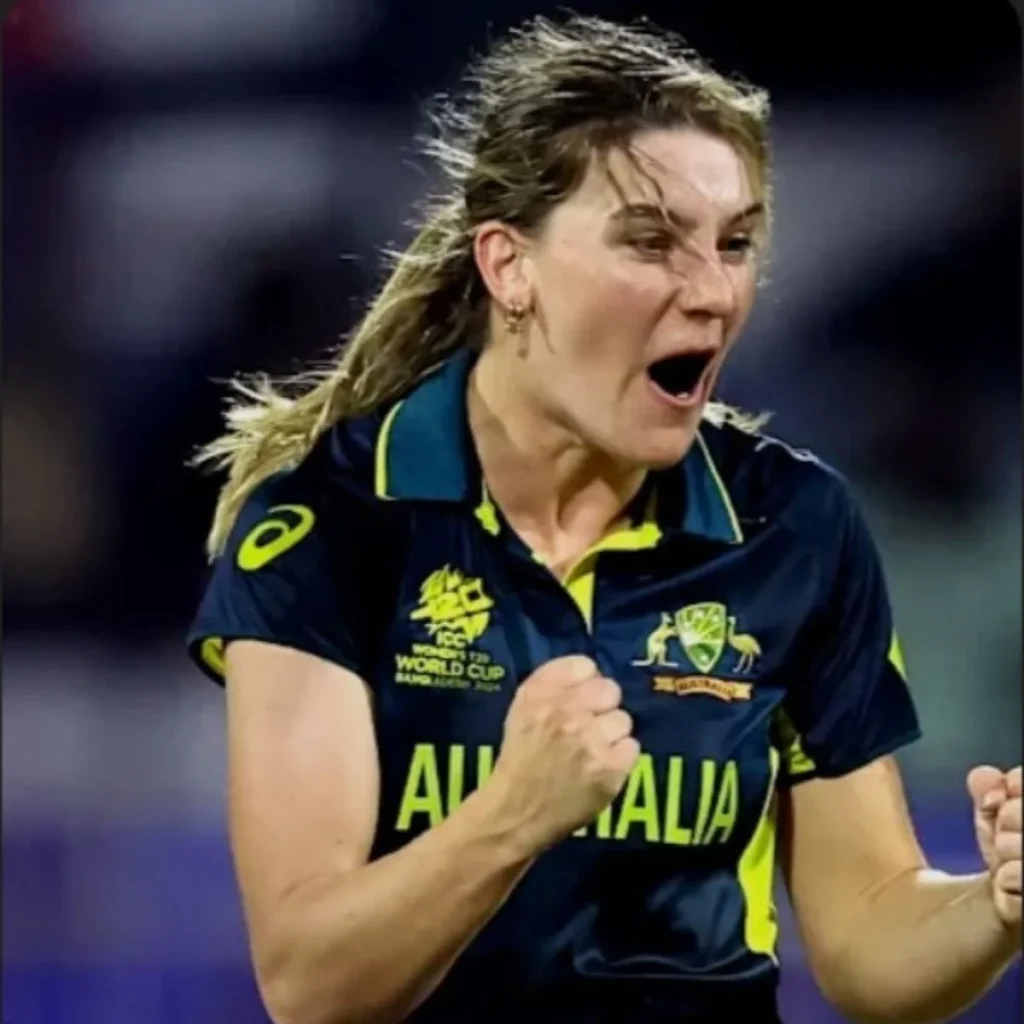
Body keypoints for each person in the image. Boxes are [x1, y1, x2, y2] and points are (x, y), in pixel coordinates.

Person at [186, 14, 1022, 1024]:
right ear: (509, 267)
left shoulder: (793, 526)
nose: (711, 291)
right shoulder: (333, 524)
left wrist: (994, 904)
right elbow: (310, 982)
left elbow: (870, 941)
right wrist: (511, 815)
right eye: (649, 241)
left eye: (735, 244)